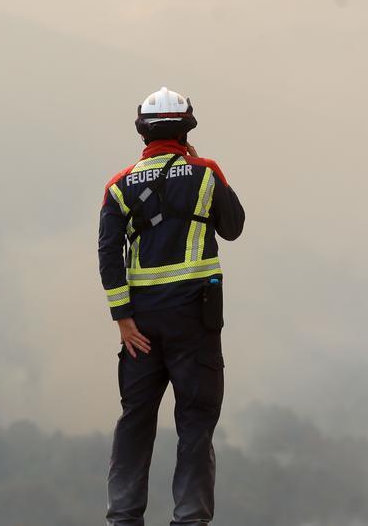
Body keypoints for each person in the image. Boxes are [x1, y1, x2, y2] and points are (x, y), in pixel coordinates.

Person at [99, 87, 245, 525]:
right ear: (187, 128)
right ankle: (189, 519)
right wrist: (206, 170)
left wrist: (122, 319)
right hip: (195, 322)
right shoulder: (205, 173)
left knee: (135, 419)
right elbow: (233, 227)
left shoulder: (119, 185)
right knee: (196, 424)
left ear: (142, 130)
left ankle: (123, 518)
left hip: (140, 324)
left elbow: (108, 253)